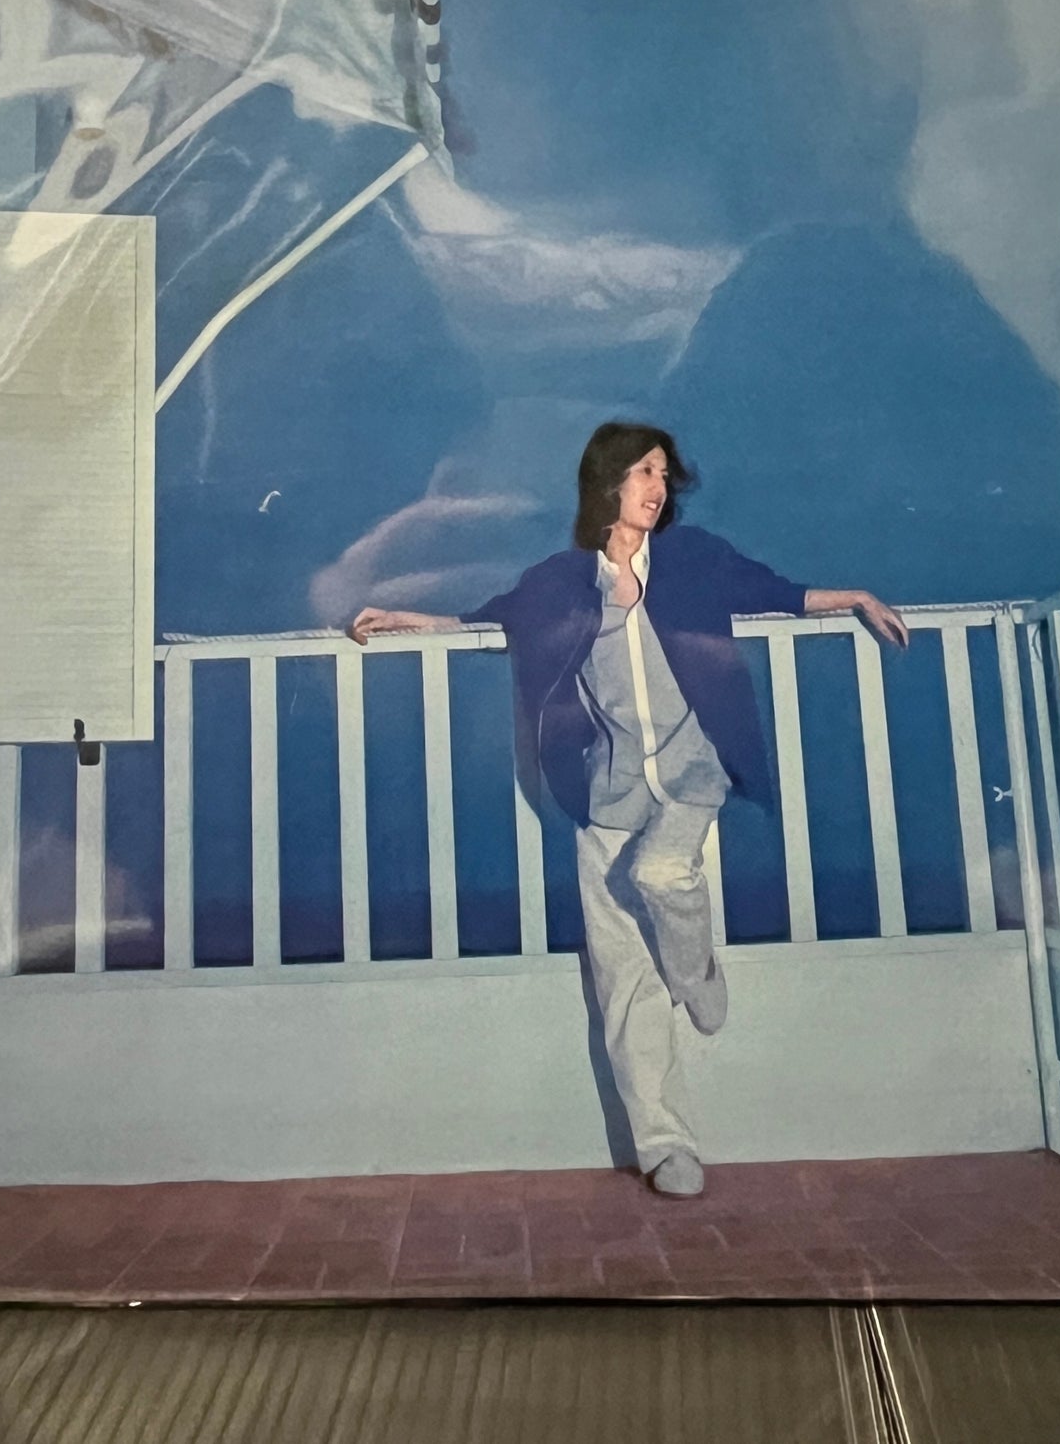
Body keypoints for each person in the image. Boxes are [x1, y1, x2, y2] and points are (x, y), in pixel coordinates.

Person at [350, 420, 908, 1198]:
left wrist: (856, 596)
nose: (656, 488)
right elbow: (493, 621)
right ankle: (667, 1147)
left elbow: (777, 592)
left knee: (664, 870)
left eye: (663, 475)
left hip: (693, 771)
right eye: (644, 472)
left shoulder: (693, 558)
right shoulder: (560, 582)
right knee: (624, 982)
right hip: (606, 790)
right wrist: (410, 619)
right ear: (607, 482)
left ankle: (697, 968)